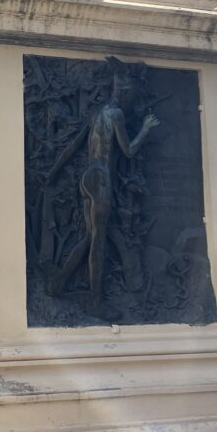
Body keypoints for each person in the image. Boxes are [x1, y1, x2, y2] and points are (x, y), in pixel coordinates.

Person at [51, 60, 159, 317]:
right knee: (98, 242)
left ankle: (57, 284)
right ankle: (96, 302)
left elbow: (74, 146)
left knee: (90, 238)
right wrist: (145, 129)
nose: (132, 100)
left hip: (88, 176)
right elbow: (128, 150)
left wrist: (53, 172)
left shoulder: (97, 113)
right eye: (131, 95)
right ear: (123, 92)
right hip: (101, 179)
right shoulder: (116, 114)